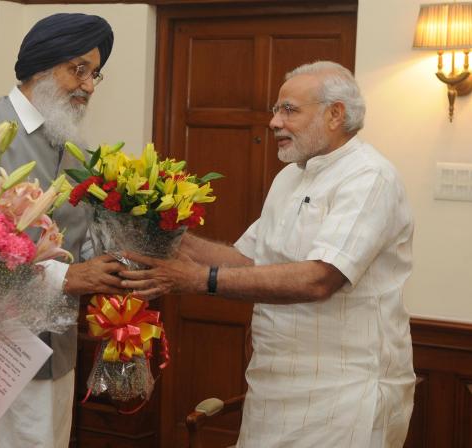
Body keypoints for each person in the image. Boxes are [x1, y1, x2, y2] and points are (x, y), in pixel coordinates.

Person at [121, 61, 415, 447]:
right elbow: (250, 260)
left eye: (289, 110)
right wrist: (171, 238)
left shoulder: (369, 177)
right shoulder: (290, 177)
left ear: (335, 114)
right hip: (271, 385)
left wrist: (199, 280)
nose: (274, 122)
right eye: (276, 110)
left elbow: (319, 278)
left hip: (344, 391)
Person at [0, 12, 122, 448]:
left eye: (95, 74)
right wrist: (67, 278)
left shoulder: (77, 148)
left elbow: (80, 240)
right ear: (43, 65)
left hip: (59, 355)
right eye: (79, 70)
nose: (89, 86)